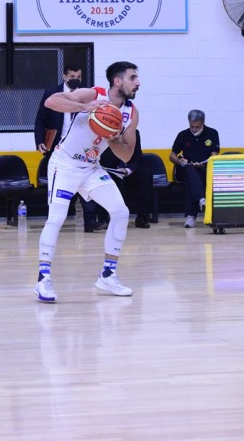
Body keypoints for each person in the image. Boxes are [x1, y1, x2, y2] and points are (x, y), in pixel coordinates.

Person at [34, 61, 140, 303]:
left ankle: (108, 275)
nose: (138, 83)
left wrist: (112, 138)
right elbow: (51, 101)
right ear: (117, 81)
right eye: (133, 78)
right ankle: (43, 279)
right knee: (57, 218)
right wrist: (84, 107)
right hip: (65, 164)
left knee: (120, 212)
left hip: (91, 168)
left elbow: (126, 155)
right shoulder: (94, 94)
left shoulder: (131, 113)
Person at [34, 62, 104, 233]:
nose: (75, 79)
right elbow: (41, 119)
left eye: (78, 77)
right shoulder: (53, 93)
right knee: (60, 185)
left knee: (86, 182)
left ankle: (90, 222)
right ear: (64, 76)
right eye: (72, 77)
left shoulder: (87, 94)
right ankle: (55, 221)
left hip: (81, 146)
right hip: (57, 145)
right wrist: (39, 141)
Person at [169, 110, 220, 228]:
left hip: (204, 169)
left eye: (197, 127)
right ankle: (201, 199)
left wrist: (204, 164)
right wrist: (180, 162)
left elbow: (214, 156)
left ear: (203, 123)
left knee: (195, 178)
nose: (194, 129)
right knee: (190, 169)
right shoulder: (183, 135)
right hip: (185, 169)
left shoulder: (212, 133)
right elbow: (172, 156)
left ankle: (191, 216)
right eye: (191, 126)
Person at [96, 129, 154, 229]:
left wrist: (128, 170)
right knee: (101, 178)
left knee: (145, 175)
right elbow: (102, 159)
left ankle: (142, 217)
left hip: (127, 171)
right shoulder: (103, 131)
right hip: (110, 170)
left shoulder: (134, 132)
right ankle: (103, 219)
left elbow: (137, 157)